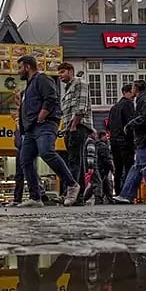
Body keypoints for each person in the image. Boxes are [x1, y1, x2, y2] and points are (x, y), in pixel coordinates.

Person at [16, 55, 80, 207]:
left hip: (45, 124)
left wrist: (42, 115)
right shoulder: (29, 86)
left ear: (27, 67)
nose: (18, 72)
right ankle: (35, 197)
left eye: (19, 67)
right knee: (25, 160)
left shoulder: (41, 78)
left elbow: (51, 97)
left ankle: (72, 185)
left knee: (46, 152)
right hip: (31, 129)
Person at [115, 81, 146, 204]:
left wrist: (131, 124)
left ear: (136, 88)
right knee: (138, 167)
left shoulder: (143, 99)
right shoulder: (144, 99)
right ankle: (126, 195)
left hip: (145, 139)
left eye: (132, 87)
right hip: (143, 139)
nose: (131, 90)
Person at [57, 62, 93, 201]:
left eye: (63, 72)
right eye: (59, 73)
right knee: (79, 160)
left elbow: (81, 106)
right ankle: (79, 196)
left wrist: (74, 125)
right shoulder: (68, 88)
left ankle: (70, 193)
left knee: (74, 160)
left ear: (71, 71)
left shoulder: (79, 83)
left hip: (77, 127)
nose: (60, 76)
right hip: (69, 128)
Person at [107, 83, 137, 195]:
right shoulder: (128, 105)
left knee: (118, 169)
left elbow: (109, 125)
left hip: (114, 141)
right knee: (129, 167)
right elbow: (131, 123)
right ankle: (126, 192)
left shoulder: (114, 107)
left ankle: (118, 192)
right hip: (125, 141)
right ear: (127, 92)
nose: (134, 96)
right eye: (132, 92)